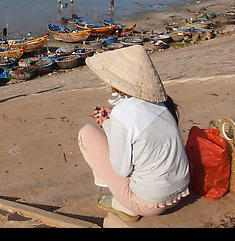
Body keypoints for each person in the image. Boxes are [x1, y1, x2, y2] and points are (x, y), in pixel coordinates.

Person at [78, 45, 190, 223]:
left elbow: (122, 169)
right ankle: (123, 195)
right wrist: (109, 124)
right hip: (181, 190)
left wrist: (110, 123)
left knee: (86, 133)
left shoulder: (123, 112)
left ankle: (124, 203)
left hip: (149, 202)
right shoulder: (160, 104)